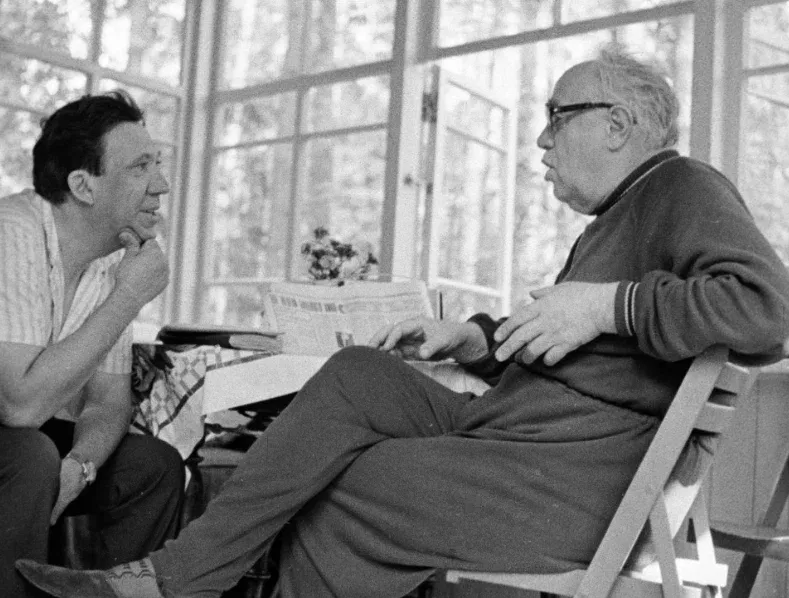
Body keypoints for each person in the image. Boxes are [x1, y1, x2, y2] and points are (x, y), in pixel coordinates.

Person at [16, 45, 789, 598]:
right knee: (359, 374)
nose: (542, 139)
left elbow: (766, 310)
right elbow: (586, 351)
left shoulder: (680, 187)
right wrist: (476, 338)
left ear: (616, 125)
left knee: (351, 481)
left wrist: (604, 303)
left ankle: (169, 582)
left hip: (564, 480)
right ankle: (172, 578)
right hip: (515, 435)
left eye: (558, 117)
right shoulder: (616, 217)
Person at [1, 91, 186, 597]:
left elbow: (108, 403)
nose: (162, 184)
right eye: (140, 167)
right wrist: (128, 298)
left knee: (153, 467)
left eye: (157, 164)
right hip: (16, 432)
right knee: (32, 456)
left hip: (29, 436)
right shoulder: (12, 230)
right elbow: (19, 406)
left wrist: (79, 467)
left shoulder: (111, 258)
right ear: (83, 186)